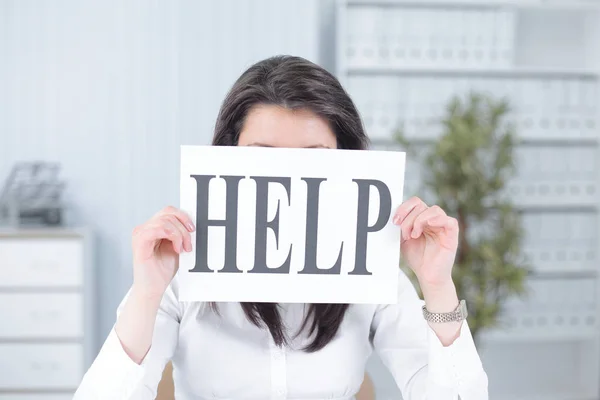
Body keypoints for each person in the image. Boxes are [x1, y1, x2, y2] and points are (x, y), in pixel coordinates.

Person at [74, 55, 488, 400]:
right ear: (228, 156)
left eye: (314, 157)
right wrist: (148, 293)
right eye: (263, 156)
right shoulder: (179, 269)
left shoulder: (372, 272)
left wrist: (438, 287)